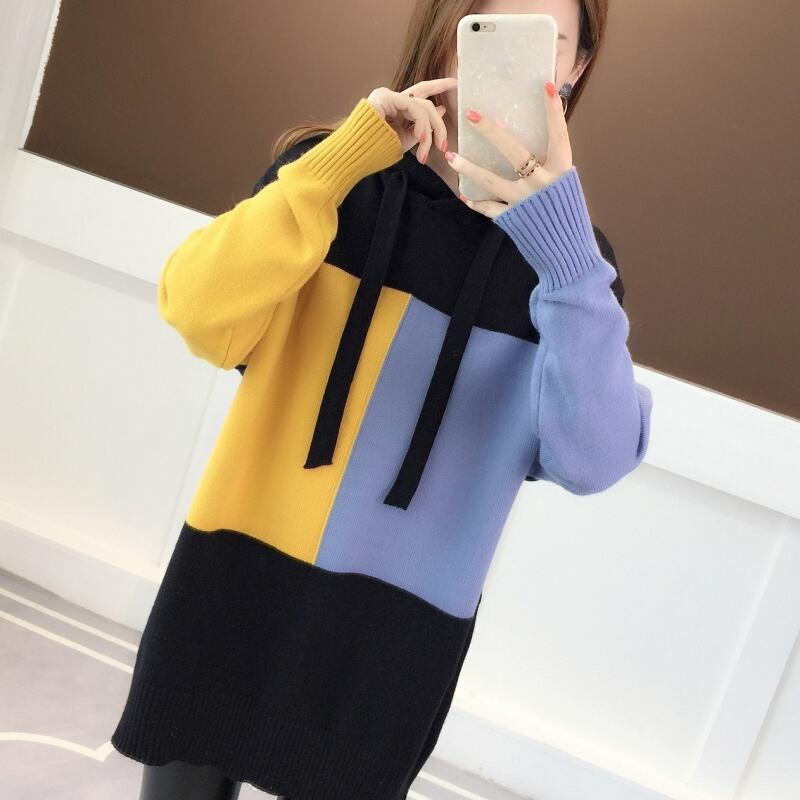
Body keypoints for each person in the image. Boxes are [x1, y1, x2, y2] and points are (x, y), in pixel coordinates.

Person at [117, 0, 652, 798]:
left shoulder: (568, 271)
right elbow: (198, 311)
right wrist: (339, 162)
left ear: (575, 67)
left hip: (395, 638)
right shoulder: (333, 180)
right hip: (234, 577)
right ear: (446, 32)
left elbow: (594, 459)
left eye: (543, 43)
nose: (507, 65)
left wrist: (568, 257)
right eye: (488, 32)